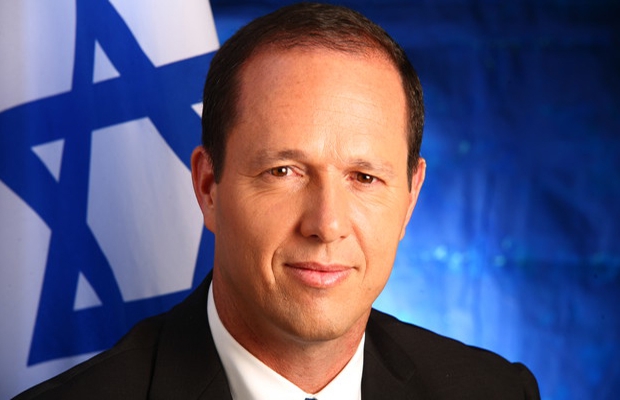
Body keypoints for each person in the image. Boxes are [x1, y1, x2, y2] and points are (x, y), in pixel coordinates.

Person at [15, 3, 540, 399]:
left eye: (364, 177)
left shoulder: (495, 391)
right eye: (283, 171)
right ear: (209, 187)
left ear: (410, 198)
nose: (326, 224)